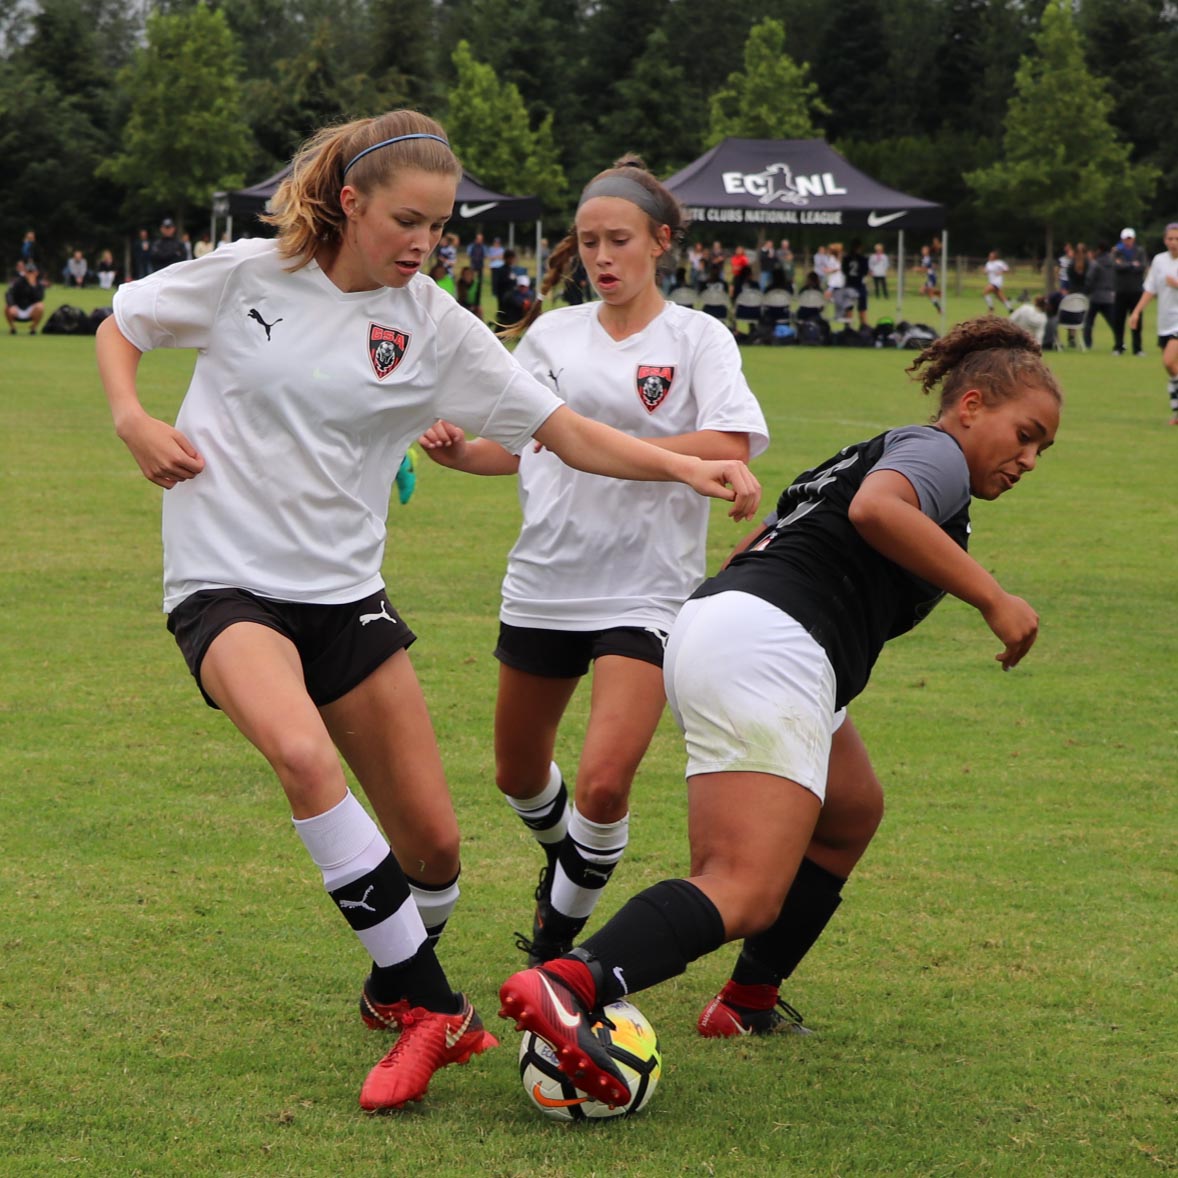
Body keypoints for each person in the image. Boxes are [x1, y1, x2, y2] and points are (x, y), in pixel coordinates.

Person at [94, 109, 759, 1115]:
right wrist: (133, 416)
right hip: (222, 582)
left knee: (434, 852)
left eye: (440, 227)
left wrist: (685, 465)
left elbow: (566, 433)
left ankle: (393, 975)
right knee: (305, 759)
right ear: (349, 202)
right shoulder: (245, 275)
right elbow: (122, 324)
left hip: (345, 596)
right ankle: (430, 1009)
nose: (423, 243)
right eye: (407, 219)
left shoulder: (436, 324)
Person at [498, 316, 1062, 1107]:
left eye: (1044, 449)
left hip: (731, 626)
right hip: (770, 643)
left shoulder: (876, 449)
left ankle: (747, 1003)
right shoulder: (934, 455)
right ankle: (571, 982)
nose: (1030, 459)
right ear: (969, 405)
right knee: (744, 885)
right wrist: (994, 597)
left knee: (851, 810)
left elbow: (769, 542)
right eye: (1024, 434)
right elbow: (878, 513)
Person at [417, 154, 769, 969]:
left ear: (661, 243)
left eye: (619, 240)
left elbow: (729, 441)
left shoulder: (696, 338)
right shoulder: (551, 334)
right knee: (515, 774)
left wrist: (599, 448)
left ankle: (554, 941)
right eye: (588, 243)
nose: (603, 257)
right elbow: (519, 445)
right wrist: (459, 453)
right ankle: (568, 855)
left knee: (605, 784)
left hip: (647, 590)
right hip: (545, 582)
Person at [1127, 223, 1178, 425]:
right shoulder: (1159, 260)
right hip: (1164, 323)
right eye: (1170, 239)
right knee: (1172, 368)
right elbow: (1150, 289)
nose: (1173, 242)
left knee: (1168, 361)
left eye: (1177, 239)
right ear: (1164, 240)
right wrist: (1137, 312)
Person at [1112, 228, 1147, 355]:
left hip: (1136, 291)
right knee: (1118, 320)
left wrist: (1125, 265)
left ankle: (1137, 348)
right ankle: (1118, 346)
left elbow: (1142, 267)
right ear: (1122, 239)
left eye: (1130, 238)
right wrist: (1132, 265)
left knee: (1136, 320)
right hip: (1121, 290)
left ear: (1133, 239)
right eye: (1126, 239)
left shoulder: (1140, 251)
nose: (1128, 241)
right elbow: (1117, 266)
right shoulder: (1117, 251)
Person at [1083, 242, 1116, 350]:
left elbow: (1089, 279)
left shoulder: (1095, 263)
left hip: (1095, 296)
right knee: (1113, 322)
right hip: (1109, 296)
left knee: (1089, 321)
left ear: (1099, 250)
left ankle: (1087, 343)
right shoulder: (1113, 263)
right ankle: (1119, 342)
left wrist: (1087, 291)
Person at [6, 263, 47, 334]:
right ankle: (13, 328)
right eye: (28, 272)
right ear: (25, 273)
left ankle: (33, 328)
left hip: (31, 310)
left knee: (40, 306)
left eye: (32, 272)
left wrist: (32, 285)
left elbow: (39, 298)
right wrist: (12, 305)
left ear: (36, 273)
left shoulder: (39, 284)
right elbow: (9, 293)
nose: (30, 274)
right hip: (17, 308)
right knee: (7, 307)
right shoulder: (18, 282)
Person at [920, 245, 943, 315]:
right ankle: (939, 296)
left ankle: (939, 307)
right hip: (931, 277)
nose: (922, 251)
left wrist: (917, 269)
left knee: (924, 291)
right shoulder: (926, 258)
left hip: (932, 277)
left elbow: (925, 268)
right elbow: (930, 266)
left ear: (927, 251)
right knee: (925, 292)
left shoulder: (926, 258)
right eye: (922, 250)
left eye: (924, 250)